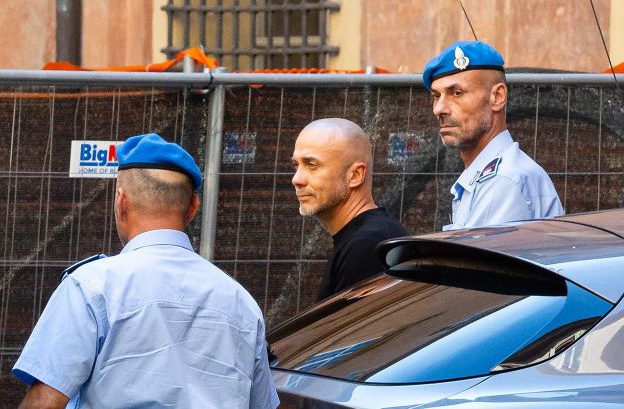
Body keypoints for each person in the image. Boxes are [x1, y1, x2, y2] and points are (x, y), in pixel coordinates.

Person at [13, 133, 279, 408]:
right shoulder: (242, 303)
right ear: (193, 208)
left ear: (121, 202)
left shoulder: (90, 288)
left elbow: (45, 402)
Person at [422, 41, 564, 231]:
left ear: (497, 97)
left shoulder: (502, 180)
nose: (438, 109)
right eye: (436, 96)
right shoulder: (495, 174)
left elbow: (474, 251)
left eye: (456, 93)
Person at [291, 118, 407, 301]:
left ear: (355, 175)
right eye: (296, 165)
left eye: (312, 165)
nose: (296, 179)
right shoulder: (367, 238)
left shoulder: (367, 245)